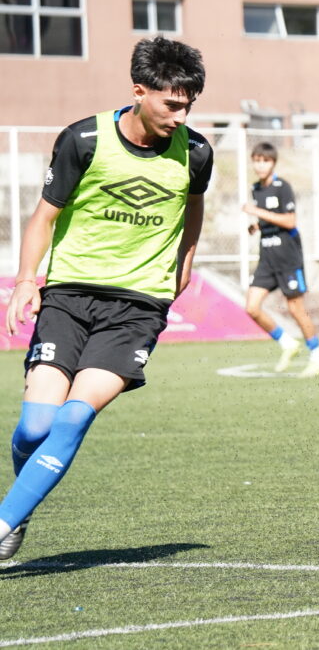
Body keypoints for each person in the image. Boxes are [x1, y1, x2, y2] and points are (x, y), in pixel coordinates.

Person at [1, 36, 212, 560]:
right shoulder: (84, 139)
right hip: (68, 298)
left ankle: (3, 520)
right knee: (35, 427)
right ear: (139, 91)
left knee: (73, 417)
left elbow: (193, 211)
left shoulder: (197, 152)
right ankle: (20, 507)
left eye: (189, 105)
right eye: (171, 103)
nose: (181, 116)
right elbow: (44, 215)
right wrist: (26, 280)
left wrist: (184, 263)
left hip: (138, 306)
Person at [242, 142, 319, 376]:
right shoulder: (256, 188)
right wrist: (256, 225)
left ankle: (317, 356)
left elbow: (290, 221)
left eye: (265, 160)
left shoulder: (283, 187)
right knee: (251, 307)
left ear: (273, 162)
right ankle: (287, 343)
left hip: (288, 257)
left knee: (296, 308)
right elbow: (270, 216)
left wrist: (257, 213)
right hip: (267, 257)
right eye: (257, 160)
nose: (260, 165)